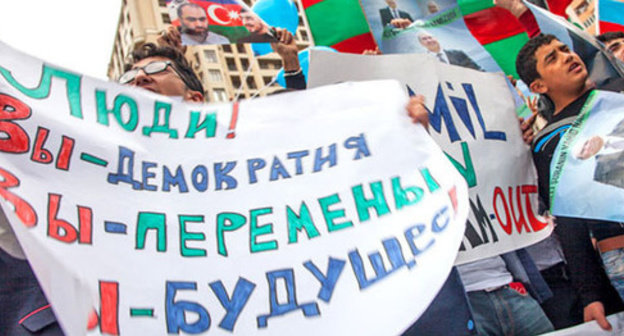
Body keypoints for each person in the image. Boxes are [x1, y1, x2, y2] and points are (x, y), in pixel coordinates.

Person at [516, 33, 624, 331]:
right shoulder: (548, 143)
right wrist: (590, 294)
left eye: (565, 49)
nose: (567, 56)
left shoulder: (617, 95)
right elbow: (569, 222)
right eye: (553, 58)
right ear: (538, 86)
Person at [417, 31, 484, 71]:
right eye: (424, 39)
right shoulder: (424, 62)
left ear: (436, 39)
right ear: (421, 43)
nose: (429, 40)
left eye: (430, 37)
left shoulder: (458, 54)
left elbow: (476, 70)